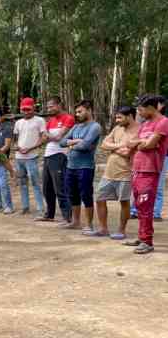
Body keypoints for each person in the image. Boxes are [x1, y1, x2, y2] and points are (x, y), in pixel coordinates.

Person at [124, 94, 168, 254]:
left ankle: (147, 241)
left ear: (151, 107)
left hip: (150, 170)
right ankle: (142, 237)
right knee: (139, 205)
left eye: (141, 110)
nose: (139, 113)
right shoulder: (145, 124)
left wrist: (141, 143)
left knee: (146, 205)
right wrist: (141, 143)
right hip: (137, 169)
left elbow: (149, 144)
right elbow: (131, 143)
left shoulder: (163, 122)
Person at [91, 106, 139, 239]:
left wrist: (114, 148)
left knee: (124, 201)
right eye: (116, 117)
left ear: (130, 116)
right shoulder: (117, 128)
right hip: (109, 172)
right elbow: (104, 144)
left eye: (120, 117)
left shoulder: (139, 130)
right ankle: (103, 229)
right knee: (100, 198)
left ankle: (121, 231)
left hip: (125, 172)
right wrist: (119, 146)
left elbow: (127, 152)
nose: (117, 120)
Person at [58, 100, 102, 233]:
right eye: (76, 112)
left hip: (85, 166)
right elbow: (61, 142)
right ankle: (76, 221)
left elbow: (85, 146)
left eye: (80, 111)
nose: (77, 114)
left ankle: (89, 224)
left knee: (86, 195)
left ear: (89, 110)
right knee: (72, 194)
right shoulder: (76, 127)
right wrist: (75, 141)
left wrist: (70, 145)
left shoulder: (95, 127)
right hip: (71, 166)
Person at [40, 97, 75, 223]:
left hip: (60, 155)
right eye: (48, 107)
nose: (49, 109)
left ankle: (67, 216)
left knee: (60, 187)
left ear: (59, 105)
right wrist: (49, 136)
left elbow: (59, 137)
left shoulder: (68, 118)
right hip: (48, 154)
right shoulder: (50, 121)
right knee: (46, 187)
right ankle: (50, 214)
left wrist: (48, 135)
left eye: (51, 106)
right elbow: (45, 138)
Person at [13, 98, 47, 218]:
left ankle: (40, 208)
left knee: (35, 183)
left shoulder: (39, 120)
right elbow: (16, 139)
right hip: (19, 157)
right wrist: (17, 147)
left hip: (32, 156)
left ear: (33, 108)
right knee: (22, 182)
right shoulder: (18, 122)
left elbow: (43, 138)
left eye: (28, 109)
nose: (26, 111)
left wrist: (31, 148)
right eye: (24, 109)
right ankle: (25, 207)